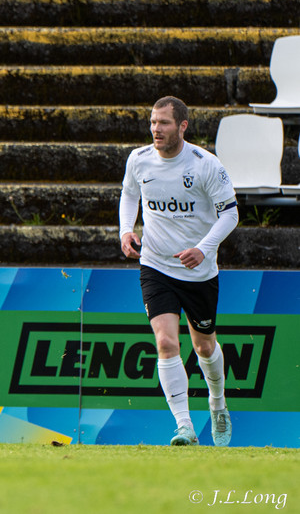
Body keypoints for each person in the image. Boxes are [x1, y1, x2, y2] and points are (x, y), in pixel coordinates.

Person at [118, 96, 238, 447]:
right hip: (155, 264)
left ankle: (218, 403)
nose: (156, 129)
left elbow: (230, 214)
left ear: (182, 126)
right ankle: (184, 426)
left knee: (204, 346)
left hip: (198, 271)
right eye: (153, 122)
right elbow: (129, 194)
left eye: (164, 123)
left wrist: (203, 249)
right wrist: (126, 230)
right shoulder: (139, 159)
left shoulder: (205, 165)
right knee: (166, 342)